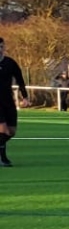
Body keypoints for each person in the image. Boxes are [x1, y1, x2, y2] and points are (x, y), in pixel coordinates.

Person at [0, 36, 27, 165]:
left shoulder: (10, 63)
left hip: (8, 101)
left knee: (11, 132)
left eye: (1, 47)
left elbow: (20, 80)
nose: (0, 49)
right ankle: (3, 159)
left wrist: (25, 96)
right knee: (3, 130)